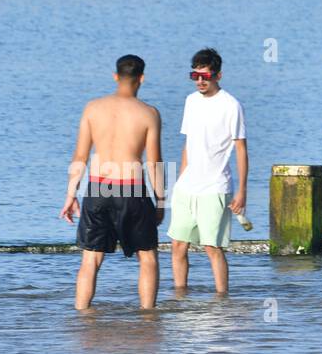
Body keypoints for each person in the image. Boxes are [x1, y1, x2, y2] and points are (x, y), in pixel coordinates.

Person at [59, 55, 165, 309]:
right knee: (147, 257)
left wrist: (70, 195)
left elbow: (80, 156)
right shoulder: (149, 114)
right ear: (142, 78)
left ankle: (82, 315)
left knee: (90, 260)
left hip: (98, 187)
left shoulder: (93, 108)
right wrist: (161, 200)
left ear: (115, 76)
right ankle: (148, 317)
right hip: (132, 190)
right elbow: (154, 163)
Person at [168, 48, 247, 294]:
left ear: (218, 76)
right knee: (177, 246)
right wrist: (180, 180)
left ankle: (222, 298)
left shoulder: (231, 105)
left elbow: (241, 149)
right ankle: (180, 296)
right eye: (195, 76)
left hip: (215, 188)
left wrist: (242, 192)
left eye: (205, 76)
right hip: (187, 187)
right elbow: (188, 144)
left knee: (212, 247)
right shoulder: (190, 101)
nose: (200, 81)